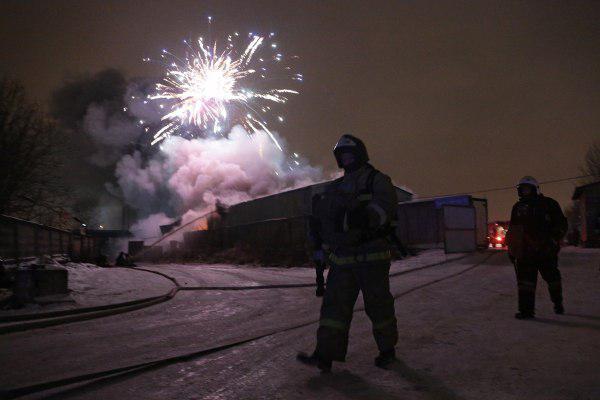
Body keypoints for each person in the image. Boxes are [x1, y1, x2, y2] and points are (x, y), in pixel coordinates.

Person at [297, 134, 399, 372]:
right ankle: (325, 356)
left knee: (379, 307)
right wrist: (319, 246)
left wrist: (359, 217)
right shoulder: (335, 188)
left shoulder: (377, 181)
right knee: (333, 310)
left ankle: (387, 350)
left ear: (361, 154)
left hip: (372, 257)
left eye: (350, 153)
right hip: (342, 260)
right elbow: (324, 221)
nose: (346, 158)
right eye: (342, 155)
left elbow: (384, 209)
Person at [506, 176, 567, 319]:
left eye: (527, 188)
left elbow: (561, 224)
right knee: (525, 283)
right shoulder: (517, 208)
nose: (524, 191)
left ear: (534, 189)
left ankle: (558, 302)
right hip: (526, 253)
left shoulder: (549, 204)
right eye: (522, 189)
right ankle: (526, 311)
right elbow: (513, 230)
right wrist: (512, 249)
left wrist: (553, 240)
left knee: (553, 279)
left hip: (546, 251)